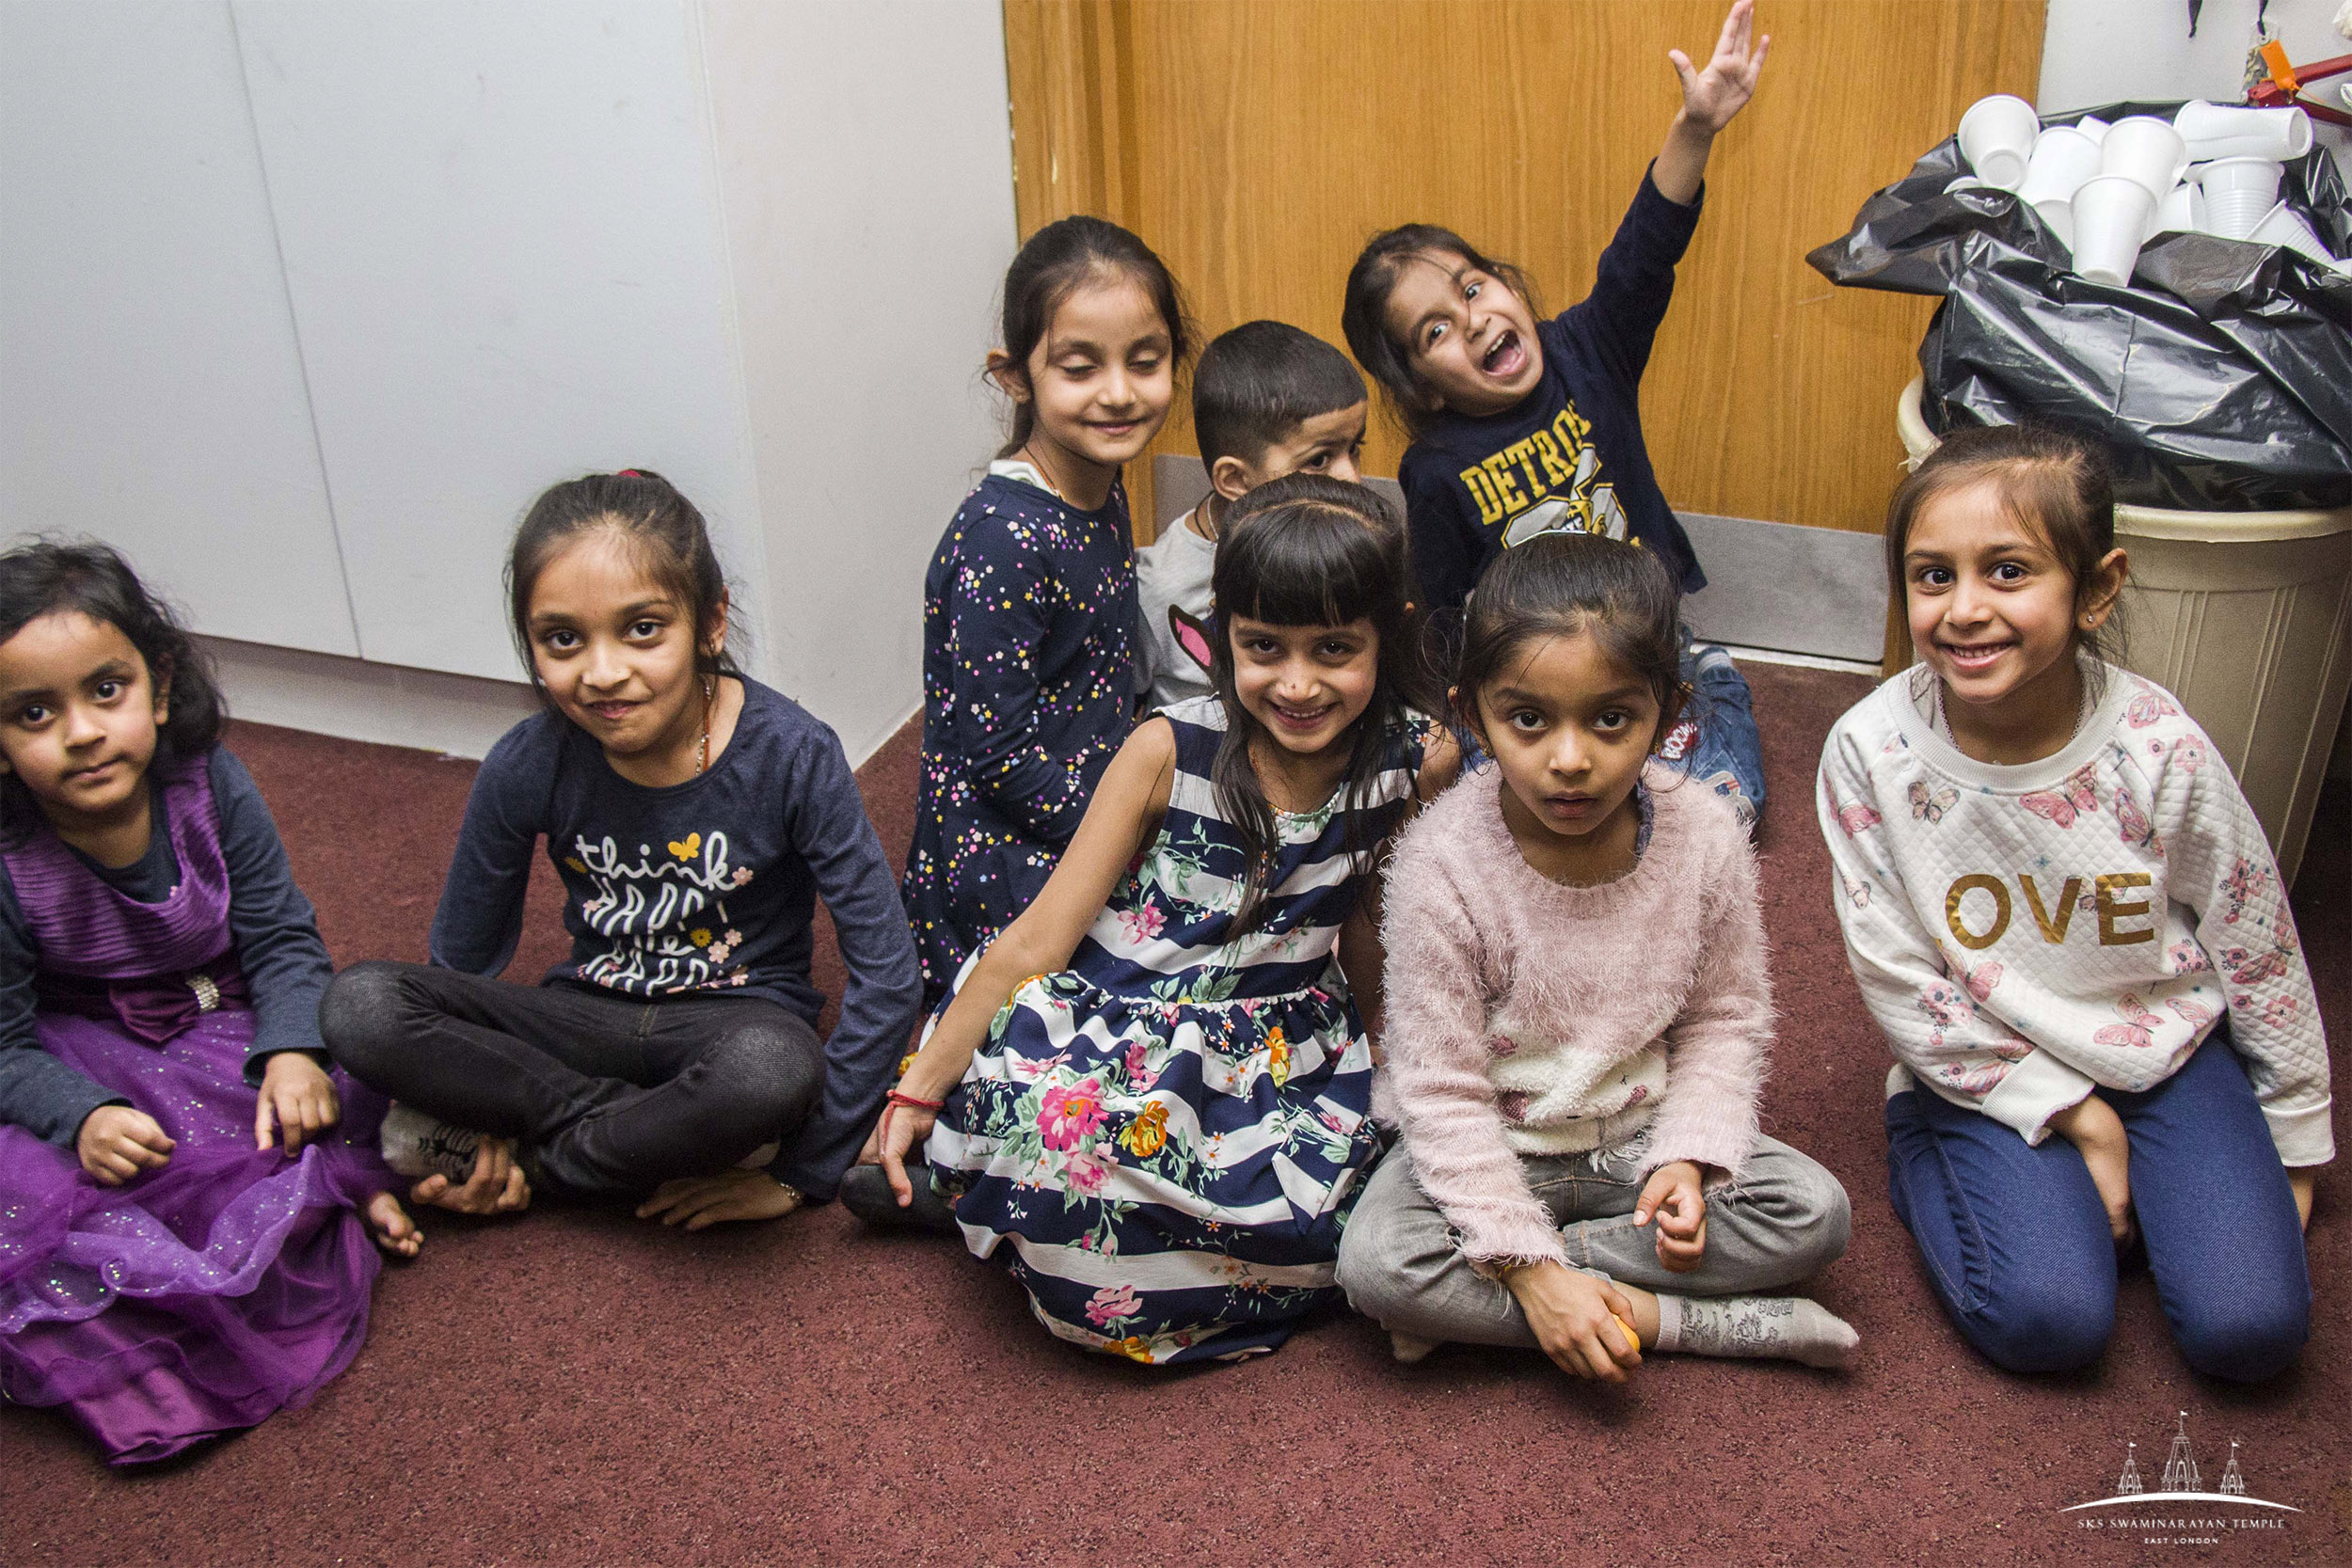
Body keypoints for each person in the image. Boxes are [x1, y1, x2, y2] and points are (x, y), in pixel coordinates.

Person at [852, 477, 1457, 1364]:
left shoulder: (1417, 758)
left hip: (1281, 1040)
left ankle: (1003, 1200)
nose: (1297, 683)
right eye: (1263, 647)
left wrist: (1390, 1071)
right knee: (1070, 1138)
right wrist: (915, 1089)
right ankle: (980, 1169)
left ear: (1387, 633)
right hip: (1117, 1024)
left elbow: (1371, 921)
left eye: (1334, 648)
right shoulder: (1166, 749)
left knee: (1343, 1200)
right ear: (1222, 638)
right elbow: (1036, 940)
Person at [1818, 422, 2329, 1381]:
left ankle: (2128, 1193)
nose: (1963, 609)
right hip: (1980, 1053)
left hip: (2163, 1045)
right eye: (1932, 575)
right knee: (2048, 1322)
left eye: (2006, 571)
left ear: (2095, 588)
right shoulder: (1866, 749)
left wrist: (2294, 1141)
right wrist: (2079, 1117)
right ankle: (1931, 1139)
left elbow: (2253, 936)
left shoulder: (2158, 747)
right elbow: (1893, 966)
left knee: (2251, 1334)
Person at [321, 469, 923, 1228]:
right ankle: (635, 1134)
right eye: (563, 639)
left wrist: (806, 1171)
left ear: (709, 623)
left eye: (642, 629)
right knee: (360, 1004)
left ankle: (543, 1167)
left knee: (774, 1070)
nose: (603, 672)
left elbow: (888, 971)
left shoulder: (793, 753)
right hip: (582, 1022)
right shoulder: (526, 759)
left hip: (731, 1023)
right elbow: (460, 962)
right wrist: (455, 1088)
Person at [1338, 532, 1855, 1378]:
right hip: (1502, 1144)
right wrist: (1527, 1262)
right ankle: (1676, 1320)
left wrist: (1688, 1155)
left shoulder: (1707, 837)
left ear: (1670, 711)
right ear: (1473, 713)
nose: (1570, 760)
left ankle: (1517, 1309)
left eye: (1611, 719)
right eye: (1528, 719)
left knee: (1813, 1212)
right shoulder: (1438, 861)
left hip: (1636, 1143)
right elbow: (1439, 1086)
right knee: (1378, 1261)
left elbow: (1725, 1018)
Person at [0, 542, 415, 1465]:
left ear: (158, 684)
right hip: (80, 1048)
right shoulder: (10, 855)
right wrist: (84, 1115)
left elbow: (282, 934)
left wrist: (292, 1048)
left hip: (225, 1018)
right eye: (34, 711)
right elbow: (1, 1041)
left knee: (348, 1066)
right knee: (64, 1192)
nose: (79, 730)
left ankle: (342, 1197)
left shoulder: (208, 780)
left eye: (104, 689)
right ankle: (173, 1338)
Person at [1339, 0, 1770, 829]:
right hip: (1532, 671)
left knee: (1717, 734)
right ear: (1421, 386)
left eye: (1472, 288)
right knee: (1480, 778)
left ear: (1506, 283)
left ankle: (1679, 811)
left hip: (1648, 639)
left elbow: (1644, 253)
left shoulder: (1587, 351)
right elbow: (1442, 606)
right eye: (1436, 329)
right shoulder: (1434, 467)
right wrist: (1452, 711)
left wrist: (1697, 128)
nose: (1471, 319)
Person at [902, 216, 1191, 1004]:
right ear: (1016, 376)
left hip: (1092, 799)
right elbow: (997, 757)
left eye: (1146, 361)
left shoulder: (1096, 482)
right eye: (1079, 366)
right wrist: (1122, 838)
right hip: (1011, 853)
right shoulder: (1005, 537)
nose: (1119, 393)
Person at [1136, 320, 1368, 711]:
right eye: (1320, 459)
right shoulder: (1161, 587)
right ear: (1235, 479)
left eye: (1354, 449)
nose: (1352, 477)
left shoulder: (1355, 543)